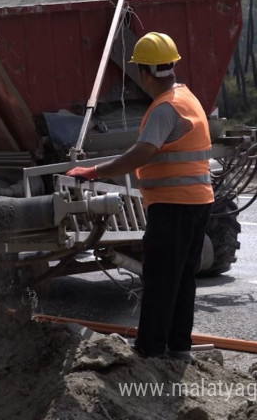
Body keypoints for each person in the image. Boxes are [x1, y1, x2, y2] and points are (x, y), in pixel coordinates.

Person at [67, 32, 213, 360]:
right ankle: (179, 347)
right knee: (182, 279)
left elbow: (142, 153)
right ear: (172, 65)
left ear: (144, 73)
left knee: (160, 279)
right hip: (198, 202)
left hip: (173, 206)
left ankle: (149, 350)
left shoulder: (164, 109)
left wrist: (93, 172)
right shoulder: (187, 98)